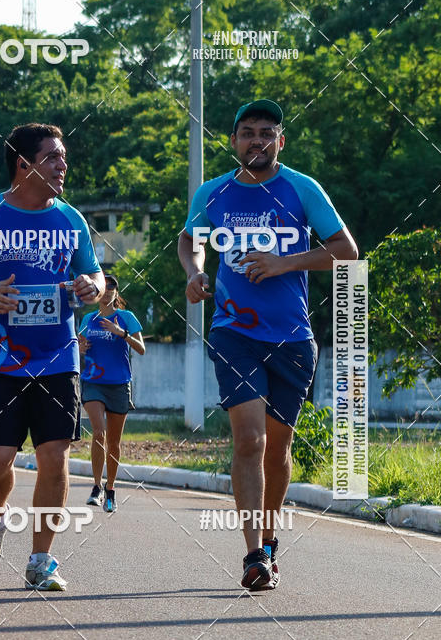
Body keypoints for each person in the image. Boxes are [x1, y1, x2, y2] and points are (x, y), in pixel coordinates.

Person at [178, 99, 358, 590]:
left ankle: (271, 539)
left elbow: (345, 251)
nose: (256, 140)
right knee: (250, 439)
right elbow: (190, 238)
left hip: (293, 338)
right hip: (234, 332)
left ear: (281, 141)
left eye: (266, 132)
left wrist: (284, 262)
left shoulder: (301, 188)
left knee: (277, 446)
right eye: (247, 132)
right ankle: (253, 554)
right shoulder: (213, 193)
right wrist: (195, 273)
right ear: (234, 141)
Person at [0, 122, 104, 591]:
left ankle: (41, 560)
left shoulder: (70, 220)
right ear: (24, 163)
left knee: (54, 456)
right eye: (53, 157)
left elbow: (95, 280)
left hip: (58, 359)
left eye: (64, 157)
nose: (62, 165)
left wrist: (88, 288)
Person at [78, 274, 145, 512]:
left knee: (114, 443)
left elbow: (141, 349)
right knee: (99, 432)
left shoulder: (126, 317)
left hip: (118, 384)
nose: (107, 293)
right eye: (104, 288)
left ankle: (111, 489)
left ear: (116, 294)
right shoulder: (88, 318)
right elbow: (79, 346)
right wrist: (80, 347)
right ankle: (96, 486)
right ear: (98, 292)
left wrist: (121, 333)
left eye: (112, 289)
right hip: (93, 382)